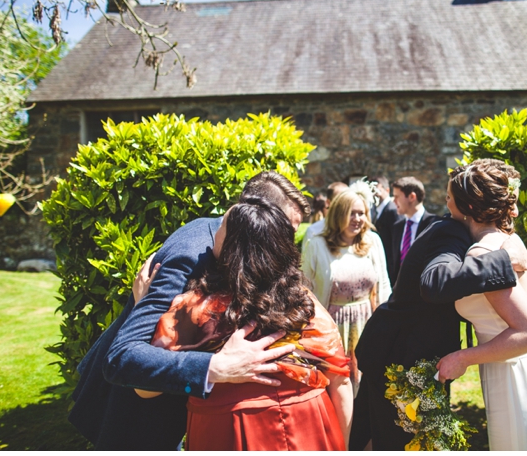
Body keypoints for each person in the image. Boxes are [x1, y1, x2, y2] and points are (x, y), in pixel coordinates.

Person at [68, 171, 311, 450]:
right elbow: (123, 357)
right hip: (142, 419)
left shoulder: (234, 244)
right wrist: (214, 368)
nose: (287, 245)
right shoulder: (191, 257)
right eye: (286, 232)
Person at [134, 198, 353, 450]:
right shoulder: (304, 304)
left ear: (231, 246)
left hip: (226, 428)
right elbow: (341, 380)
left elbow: (144, 388)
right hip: (309, 422)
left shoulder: (195, 310)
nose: (214, 233)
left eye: (222, 227)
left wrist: (146, 308)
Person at [348, 175, 527, 451]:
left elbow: (452, 297)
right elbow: (435, 283)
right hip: (401, 355)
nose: (446, 204)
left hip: (402, 350)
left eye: (449, 198)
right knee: (390, 442)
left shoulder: (459, 231)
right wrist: (501, 263)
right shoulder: (451, 231)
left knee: (377, 437)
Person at [436, 159, 527, 451]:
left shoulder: (482, 254)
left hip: (515, 378)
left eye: (449, 198)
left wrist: (463, 358)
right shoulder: (510, 240)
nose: (445, 204)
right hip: (523, 370)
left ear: (468, 208)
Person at [301, 181, 392, 395]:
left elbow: (384, 285)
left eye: (361, 213)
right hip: (332, 327)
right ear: (338, 214)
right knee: (337, 388)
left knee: (367, 386)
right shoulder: (317, 245)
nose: (358, 219)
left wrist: (385, 326)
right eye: (352, 213)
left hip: (367, 324)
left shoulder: (373, 242)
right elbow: (305, 290)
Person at [389, 176, 439, 285]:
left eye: (397, 196)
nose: (393, 201)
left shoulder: (434, 225)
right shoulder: (397, 227)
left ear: (412, 197)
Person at [301, 181, 349, 253]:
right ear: (328, 203)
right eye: (340, 201)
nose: (345, 205)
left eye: (348, 200)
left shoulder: (355, 229)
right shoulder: (313, 231)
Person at [369, 175, 400, 278]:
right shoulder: (374, 210)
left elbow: (395, 243)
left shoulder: (393, 210)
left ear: (387, 190)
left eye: (377, 190)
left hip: (389, 267)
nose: (375, 194)